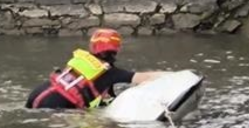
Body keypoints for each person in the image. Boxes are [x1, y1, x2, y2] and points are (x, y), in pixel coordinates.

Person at [25, 29, 167, 110]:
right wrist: (172, 75)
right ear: (116, 49)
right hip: (55, 105)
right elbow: (144, 77)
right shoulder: (109, 73)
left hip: (37, 94)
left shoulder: (83, 62)